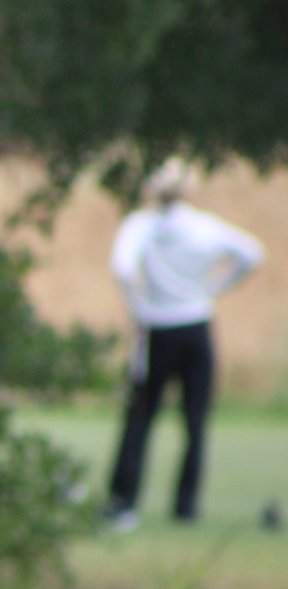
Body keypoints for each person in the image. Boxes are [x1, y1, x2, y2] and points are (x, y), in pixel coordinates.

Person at [104, 157, 264, 531]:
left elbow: (122, 267)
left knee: (140, 417)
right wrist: (214, 288)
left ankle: (123, 501)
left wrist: (138, 305)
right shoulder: (204, 227)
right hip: (196, 326)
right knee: (195, 421)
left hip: (156, 329)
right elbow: (251, 253)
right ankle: (186, 506)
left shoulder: (141, 224)